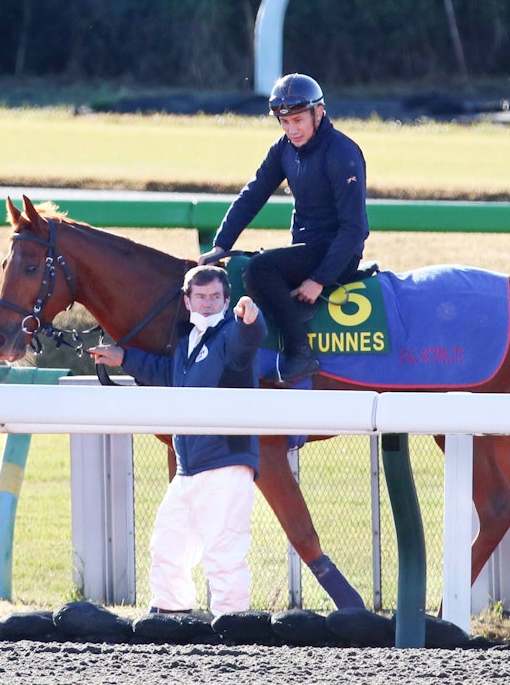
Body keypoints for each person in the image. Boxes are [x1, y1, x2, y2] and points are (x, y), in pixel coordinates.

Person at [88, 265, 266, 617]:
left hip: (226, 464)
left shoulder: (230, 333)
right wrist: (123, 358)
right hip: (188, 467)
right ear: (187, 301)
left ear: (226, 301)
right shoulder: (189, 341)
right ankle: (170, 618)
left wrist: (251, 318)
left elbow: (249, 339)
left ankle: (234, 626)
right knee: (167, 544)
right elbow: (167, 375)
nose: (208, 303)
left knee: (223, 552)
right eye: (201, 297)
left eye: (215, 297)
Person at [199, 73, 369, 383]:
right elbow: (253, 195)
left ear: (319, 112)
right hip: (305, 248)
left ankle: (300, 353)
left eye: (298, 120)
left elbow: (355, 229)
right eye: (285, 122)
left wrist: (319, 280)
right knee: (243, 264)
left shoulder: (343, 153)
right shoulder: (283, 149)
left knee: (259, 269)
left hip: (337, 254)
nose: (292, 129)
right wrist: (221, 245)